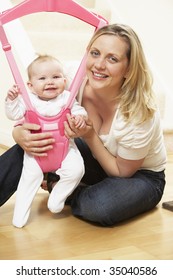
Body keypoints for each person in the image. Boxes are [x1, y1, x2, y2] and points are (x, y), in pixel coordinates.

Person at [1, 24, 166, 227]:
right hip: (92, 159)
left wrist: (89, 135)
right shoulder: (69, 77)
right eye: (95, 53)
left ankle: (61, 186)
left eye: (112, 58)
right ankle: (66, 181)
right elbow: (34, 103)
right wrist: (18, 132)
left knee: (100, 206)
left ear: (129, 68)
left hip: (139, 176)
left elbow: (121, 172)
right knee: (34, 145)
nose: (98, 65)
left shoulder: (140, 112)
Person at [4, 54, 87, 228]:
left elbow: (80, 111)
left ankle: (57, 197)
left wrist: (80, 118)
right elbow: (13, 114)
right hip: (36, 155)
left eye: (56, 77)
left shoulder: (67, 98)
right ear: (30, 86)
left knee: (77, 169)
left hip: (65, 151)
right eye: (42, 78)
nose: (50, 82)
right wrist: (11, 100)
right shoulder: (27, 100)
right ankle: (19, 217)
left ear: (64, 81)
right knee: (27, 183)